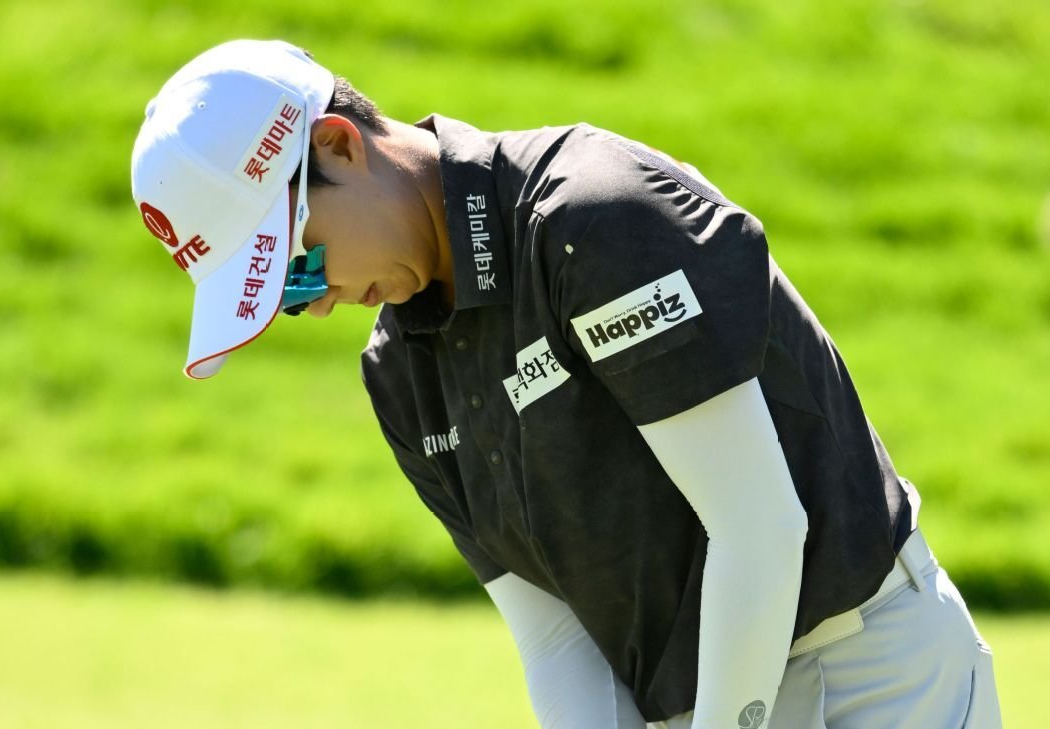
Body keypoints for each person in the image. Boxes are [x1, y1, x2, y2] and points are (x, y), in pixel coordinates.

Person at [129, 39, 1002, 728]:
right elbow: (555, 636)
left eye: (299, 262)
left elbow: (760, 531)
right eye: (280, 298)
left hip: (871, 676)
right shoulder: (399, 374)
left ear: (338, 144)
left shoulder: (591, 219)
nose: (312, 301)